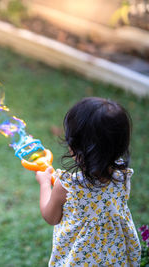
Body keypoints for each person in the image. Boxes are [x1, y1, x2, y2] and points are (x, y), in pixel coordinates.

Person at [35, 97, 141, 266]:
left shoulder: (66, 187)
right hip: (114, 258)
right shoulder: (122, 176)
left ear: (75, 146)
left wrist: (45, 183)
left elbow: (51, 217)